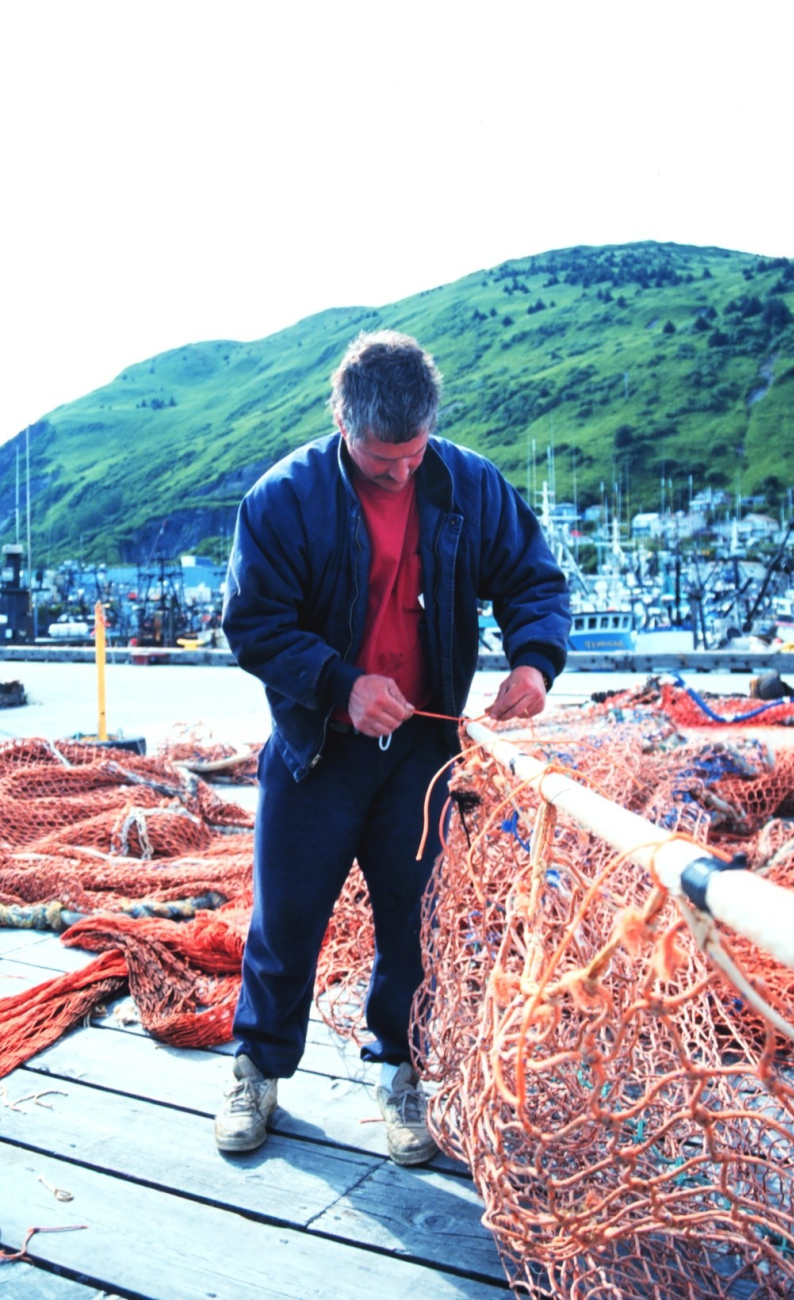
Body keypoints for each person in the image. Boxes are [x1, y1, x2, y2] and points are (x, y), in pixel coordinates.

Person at [216, 330, 570, 1165]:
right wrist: (341, 685)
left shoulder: (468, 482)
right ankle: (256, 1069)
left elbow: (532, 580)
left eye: (413, 456)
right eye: (382, 461)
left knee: (416, 926)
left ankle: (400, 1072)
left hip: (424, 748)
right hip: (317, 748)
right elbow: (252, 625)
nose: (401, 474)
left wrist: (533, 661)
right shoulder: (281, 498)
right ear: (341, 422)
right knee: (288, 917)